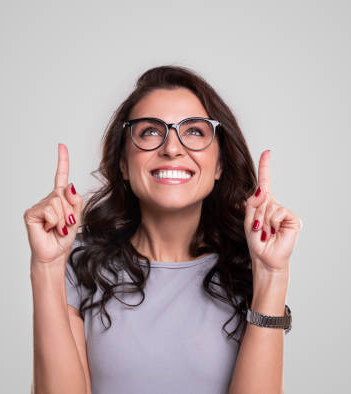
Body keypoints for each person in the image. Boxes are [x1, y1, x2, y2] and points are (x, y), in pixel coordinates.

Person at [24, 65, 303, 394]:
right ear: (124, 165)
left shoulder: (247, 270)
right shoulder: (80, 265)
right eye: (150, 132)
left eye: (196, 132)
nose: (172, 148)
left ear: (220, 165)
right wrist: (45, 267)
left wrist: (272, 274)